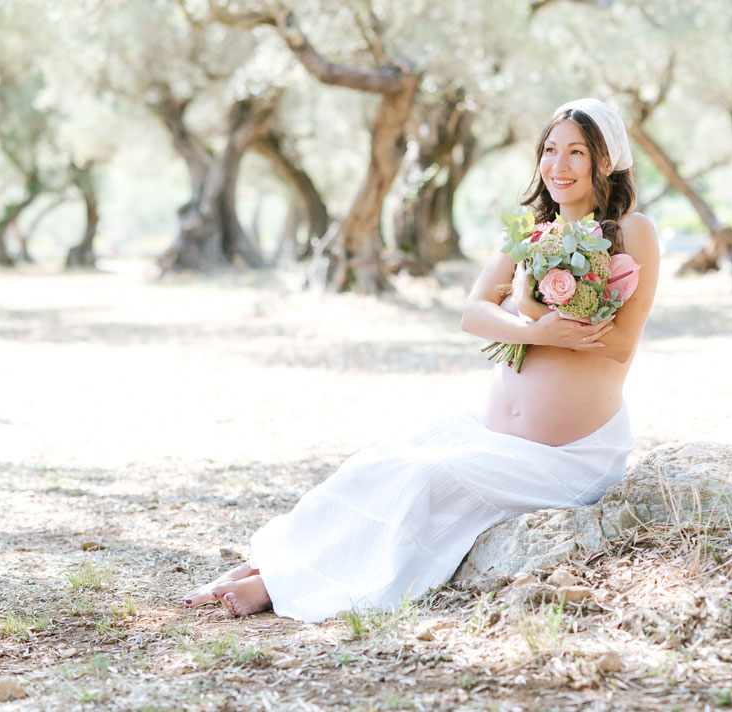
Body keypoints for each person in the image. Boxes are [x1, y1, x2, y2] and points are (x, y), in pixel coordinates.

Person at [182, 98, 660, 620]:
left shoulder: (633, 232)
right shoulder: (529, 232)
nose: (558, 166)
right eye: (549, 150)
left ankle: (277, 586)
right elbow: (473, 312)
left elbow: (619, 346)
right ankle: (270, 566)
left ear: (606, 161)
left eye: (576, 153)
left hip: (568, 456)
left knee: (424, 481)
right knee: (373, 467)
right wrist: (534, 326)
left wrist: (540, 320)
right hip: (494, 433)